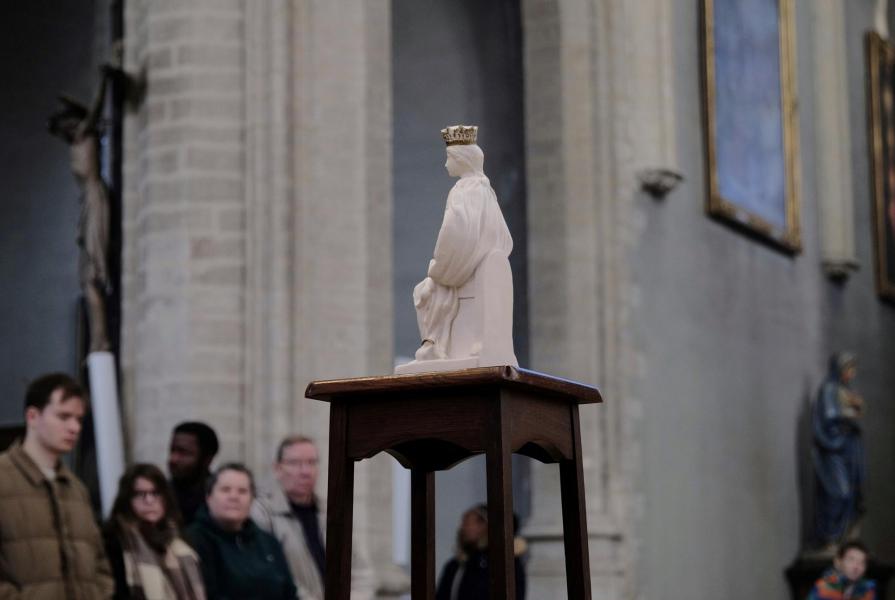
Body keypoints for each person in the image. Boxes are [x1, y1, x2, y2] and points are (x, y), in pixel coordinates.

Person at [0, 373, 114, 598]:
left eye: (79, 419)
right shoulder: (4, 478)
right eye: (64, 416)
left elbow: (100, 564)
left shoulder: (76, 489)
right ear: (33, 416)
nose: (75, 427)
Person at [411, 125, 513, 362]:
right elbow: (501, 236)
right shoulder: (485, 189)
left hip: (465, 265)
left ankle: (433, 345)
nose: (446, 164)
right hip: (476, 263)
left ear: (462, 160)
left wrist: (439, 265)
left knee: (424, 291)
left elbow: (456, 231)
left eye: (449, 158)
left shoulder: (463, 190)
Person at [252, 436, 375, 600]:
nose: (305, 471)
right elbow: (273, 572)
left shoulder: (331, 512)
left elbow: (360, 570)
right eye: (295, 463)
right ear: (277, 468)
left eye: (311, 462)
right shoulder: (263, 513)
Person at [185, 463, 297, 599]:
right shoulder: (195, 540)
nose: (234, 497)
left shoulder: (268, 542)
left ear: (252, 500)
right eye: (225, 490)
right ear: (209, 497)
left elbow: (289, 592)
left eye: (242, 491)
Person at [104, 463, 205, 599]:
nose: (149, 500)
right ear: (127, 499)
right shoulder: (115, 540)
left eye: (156, 493)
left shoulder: (179, 539)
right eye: (140, 494)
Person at [813, 353, 865, 549]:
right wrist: (851, 412)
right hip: (833, 448)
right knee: (838, 492)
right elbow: (830, 416)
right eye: (848, 369)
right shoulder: (829, 389)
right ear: (839, 369)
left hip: (848, 447)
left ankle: (842, 539)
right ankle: (829, 536)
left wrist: (856, 409)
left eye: (853, 369)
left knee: (851, 493)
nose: (852, 373)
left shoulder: (845, 390)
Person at [435, 504, 526, 600]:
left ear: (484, 526)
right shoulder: (456, 565)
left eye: (467, 523)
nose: (462, 528)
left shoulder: (506, 563)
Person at [168, 421, 219, 525]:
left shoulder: (219, 498)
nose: (173, 459)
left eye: (183, 453)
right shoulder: (161, 495)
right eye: (172, 450)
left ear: (207, 459)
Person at [808, 541, 876, 599]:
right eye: (851, 560)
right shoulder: (822, 587)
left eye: (862, 562)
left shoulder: (868, 591)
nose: (856, 567)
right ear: (838, 562)